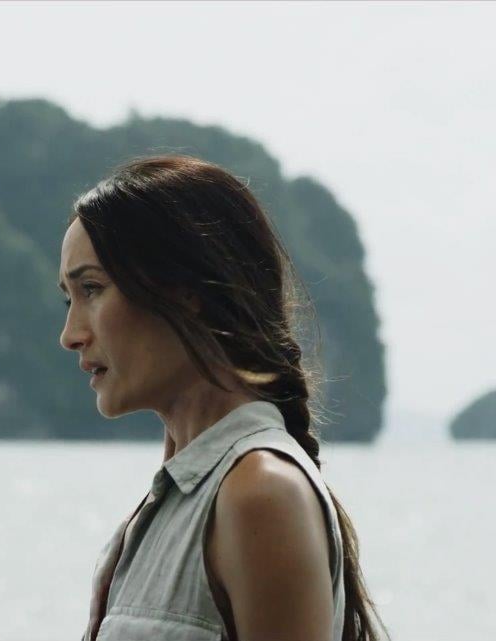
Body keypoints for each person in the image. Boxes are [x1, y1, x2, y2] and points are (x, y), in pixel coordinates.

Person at [62, 156, 385, 641]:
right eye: (69, 298)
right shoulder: (175, 506)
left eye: (92, 288)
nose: (70, 334)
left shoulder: (261, 495)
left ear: (186, 291)